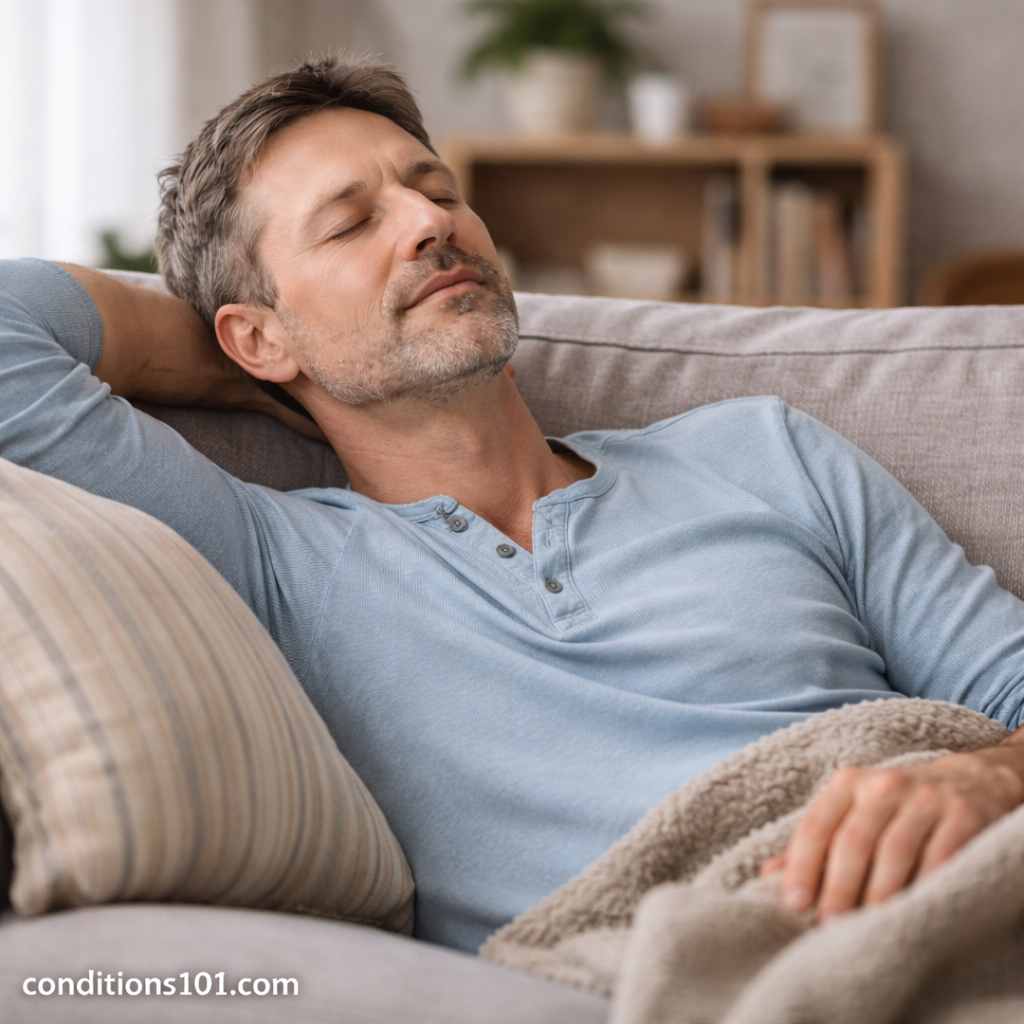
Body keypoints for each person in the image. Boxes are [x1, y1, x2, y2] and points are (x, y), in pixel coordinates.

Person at [2, 55, 1024, 953]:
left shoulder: (763, 449)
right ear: (257, 335)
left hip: (954, 897)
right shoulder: (273, 562)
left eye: (435, 189)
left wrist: (983, 782)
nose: (430, 223)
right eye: (354, 222)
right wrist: (249, 372)